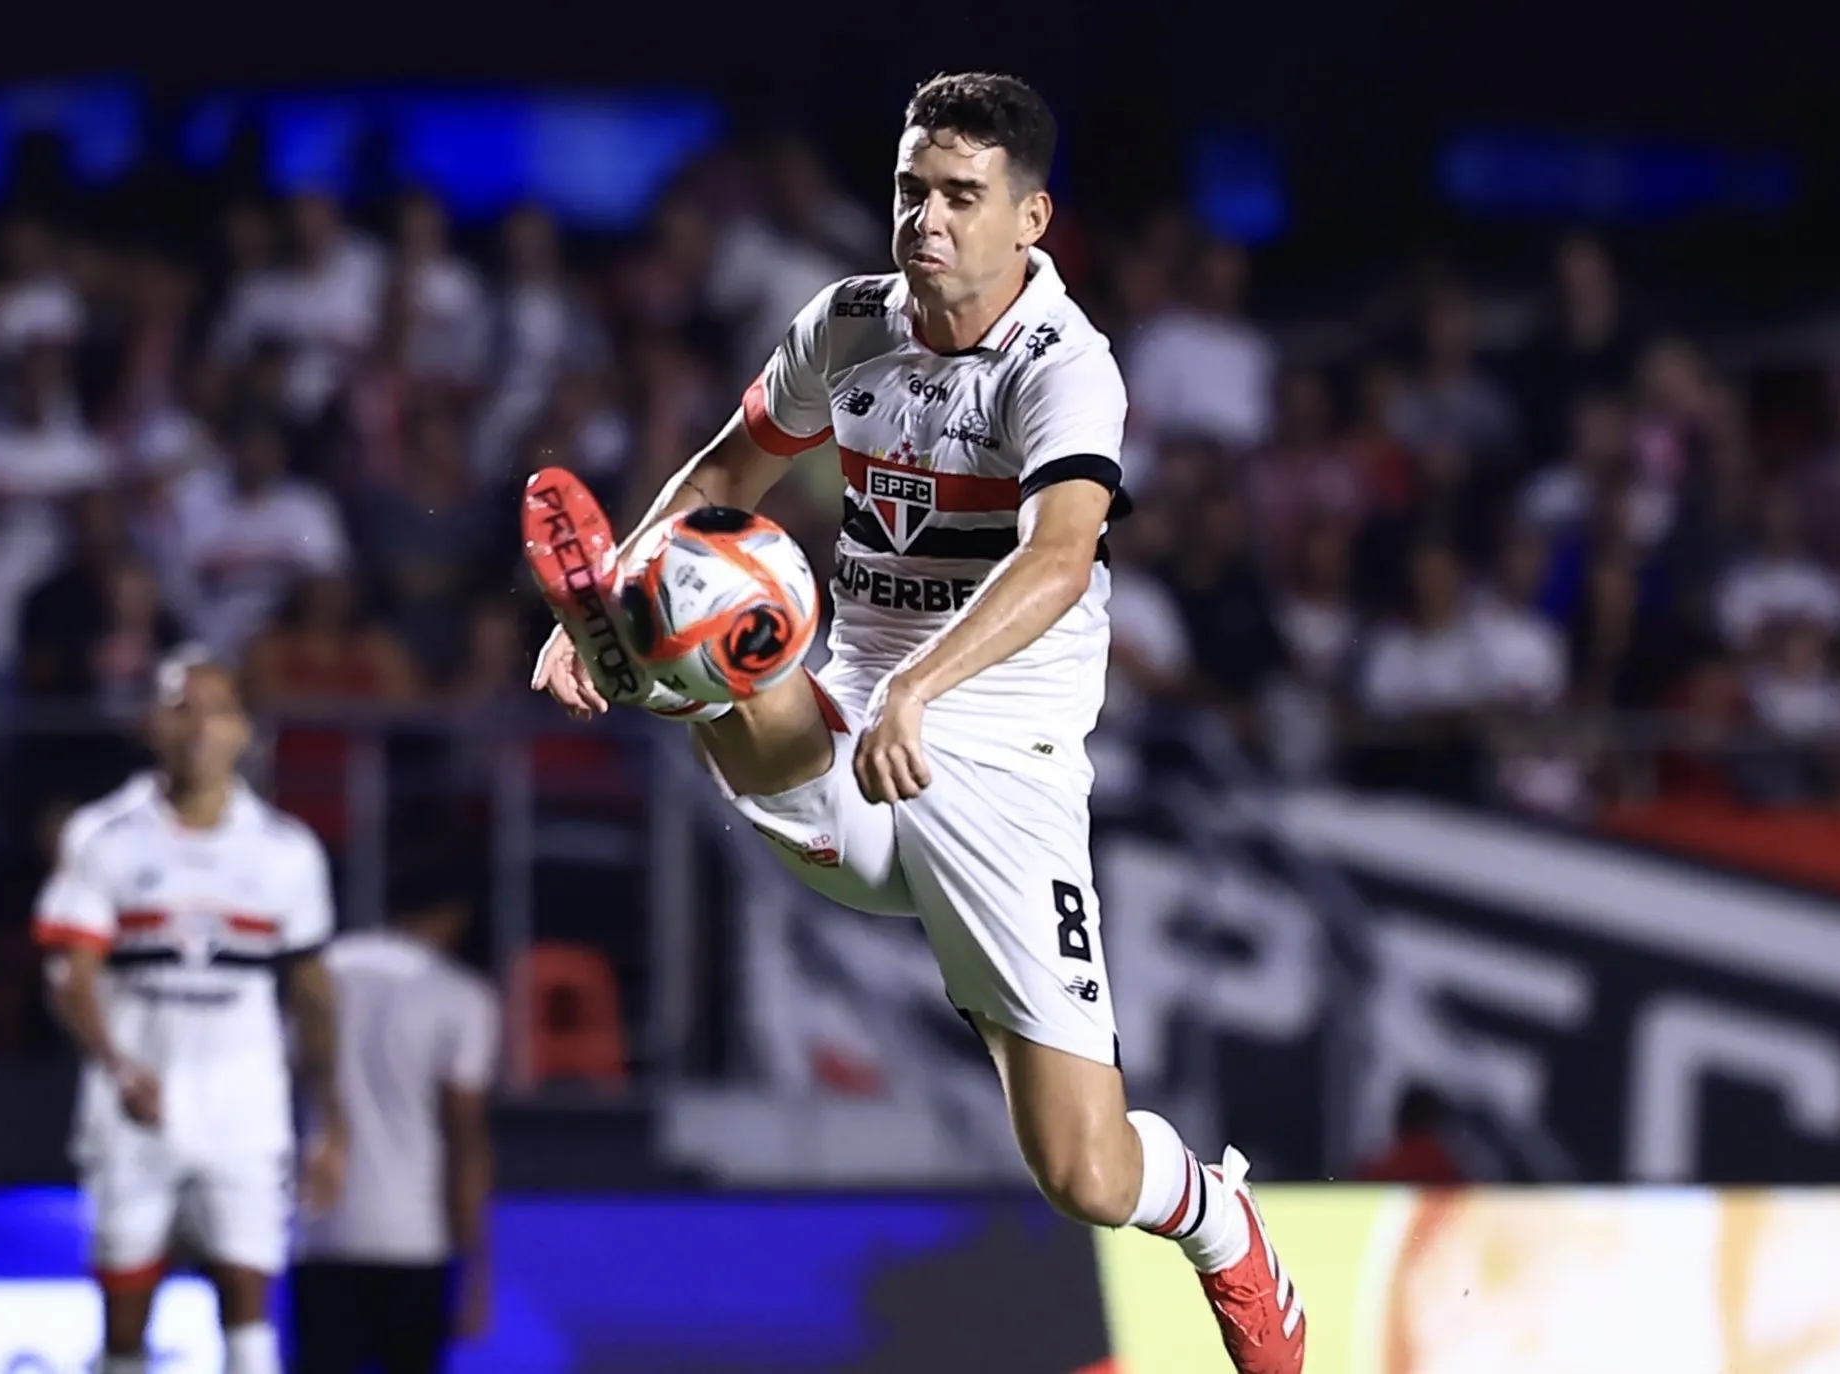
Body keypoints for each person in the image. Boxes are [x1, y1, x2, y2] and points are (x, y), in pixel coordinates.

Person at [521, 74, 1304, 1373]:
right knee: (737, 604)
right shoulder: (847, 323)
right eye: (908, 192)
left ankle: (1224, 1220)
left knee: (1085, 1171)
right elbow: (725, 474)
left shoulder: (1068, 367)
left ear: (1031, 220)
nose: (924, 222)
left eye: (959, 198)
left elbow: (1059, 559)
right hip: (848, 744)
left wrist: (926, 688)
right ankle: (637, 628)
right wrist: (605, 602)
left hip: (998, 775)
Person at [33, 649, 348, 1374]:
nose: (201, 727)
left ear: (245, 731)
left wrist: (330, 1116)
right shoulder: (103, 836)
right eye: (182, 707)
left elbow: (311, 990)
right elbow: (68, 976)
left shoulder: (285, 851)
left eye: (219, 709)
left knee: (247, 1298)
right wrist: (116, 1064)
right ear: (150, 723)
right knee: (125, 1312)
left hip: (244, 1104)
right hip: (134, 1104)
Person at [292, 879, 499, 1374]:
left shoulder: (319, 978)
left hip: (322, 1232)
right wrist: (476, 1269)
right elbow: (464, 1140)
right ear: (453, 917)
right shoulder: (459, 995)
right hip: (415, 1238)